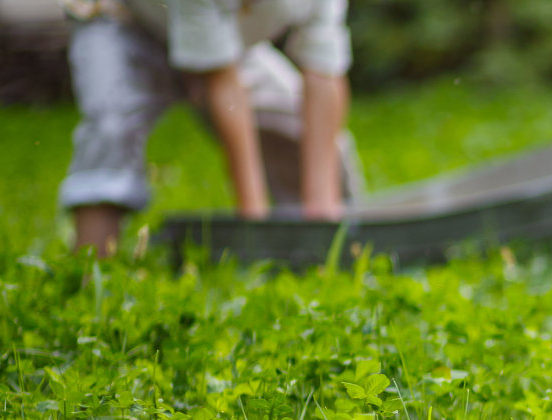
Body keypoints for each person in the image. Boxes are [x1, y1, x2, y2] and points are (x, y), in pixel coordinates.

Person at [60, 0, 363, 256]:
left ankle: (319, 250)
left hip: (230, 43)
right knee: (110, 127)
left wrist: (323, 212)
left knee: (298, 137)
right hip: (125, 26)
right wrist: (253, 222)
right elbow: (221, 82)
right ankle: (89, 272)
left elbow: (323, 70)